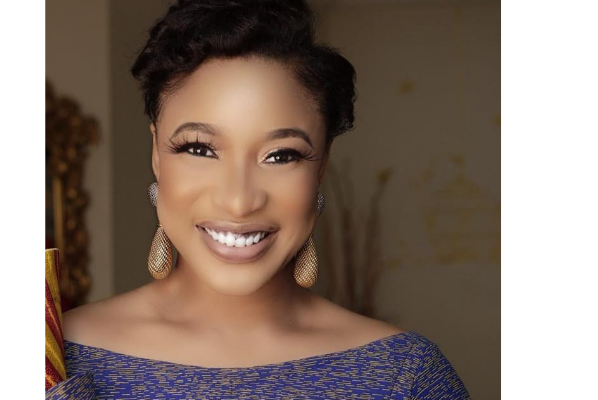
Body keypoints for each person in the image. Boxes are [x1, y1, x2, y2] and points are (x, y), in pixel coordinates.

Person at [62, 0, 471, 398]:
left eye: (281, 155)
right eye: (200, 149)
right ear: (156, 152)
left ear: (322, 164)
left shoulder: (405, 376)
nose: (239, 201)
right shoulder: (52, 357)